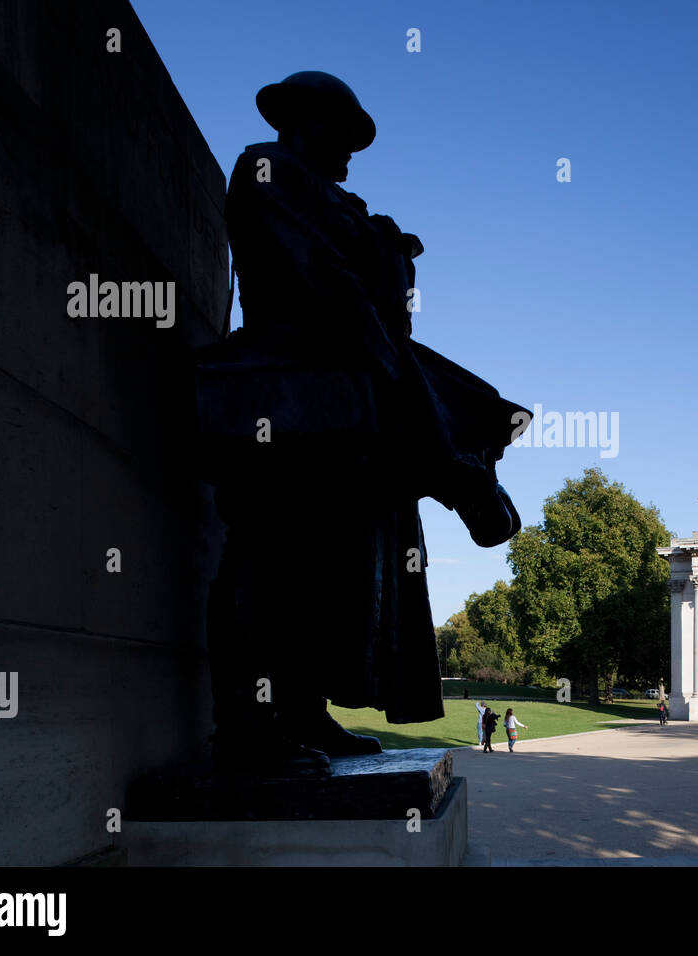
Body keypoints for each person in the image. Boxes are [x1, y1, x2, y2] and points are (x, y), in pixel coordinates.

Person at [198, 71, 531, 774]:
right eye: (343, 137)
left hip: (336, 391)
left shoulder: (336, 197)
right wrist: (386, 352)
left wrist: (387, 256)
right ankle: (250, 733)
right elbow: (322, 280)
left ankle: (301, 713)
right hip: (287, 388)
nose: (351, 156)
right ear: (303, 120)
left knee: (319, 572)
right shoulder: (266, 167)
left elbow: (370, 296)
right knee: (270, 559)